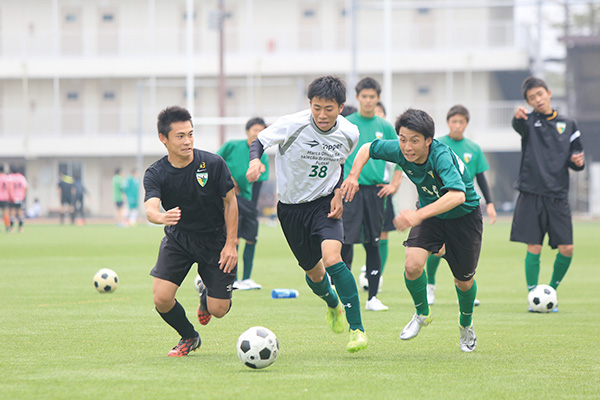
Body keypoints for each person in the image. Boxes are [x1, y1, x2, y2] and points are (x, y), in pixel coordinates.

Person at [341, 108, 483, 353]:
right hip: (431, 215)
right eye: (403, 139)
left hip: (464, 218)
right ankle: (421, 313)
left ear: (429, 140)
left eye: (414, 141)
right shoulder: (400, 148)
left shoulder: (440, 157)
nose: (407, 147)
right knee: (412, 264)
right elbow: (366, 148)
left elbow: (458, 196)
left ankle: (466, 323)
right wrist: (353, 176)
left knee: (463, 282)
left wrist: (416, 215)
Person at [246, 75, 368, 353]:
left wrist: (338, 192)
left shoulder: (350, 132)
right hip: (290, 210)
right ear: (309, 104)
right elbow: (259, 141)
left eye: (329, 108)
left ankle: (357, 329)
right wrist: (255, 162)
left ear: (340, 106)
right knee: (314, 275)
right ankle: (333, 303)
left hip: (324, 204)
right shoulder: (293, 124)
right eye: (316, 107)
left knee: (334, 258)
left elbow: (340, 163)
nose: (322, 115)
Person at [144, 105, 238, 357]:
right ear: (163, 139)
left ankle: (207, 295)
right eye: (180, 136)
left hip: (216, 240)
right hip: (179, 240)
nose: (188, 141)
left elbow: (230, 202)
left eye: (190, 134)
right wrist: (162, 217)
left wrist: (231, 244)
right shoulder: (156, 173)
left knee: (218, 309)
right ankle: (189, 336)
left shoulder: (213, 164)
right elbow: (150, 208)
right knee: (161, 298)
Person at [510, 77, 585, 311]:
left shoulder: (568, 123)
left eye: (540, 94)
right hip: (532, 192)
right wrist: (517, 116)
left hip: (558, 195)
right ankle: (534, 294)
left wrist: (577, 162)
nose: (537, 100)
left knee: (567, 248)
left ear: (549, 93)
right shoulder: (528, 122)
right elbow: (517, 125)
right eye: (532, 98)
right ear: (528, 102)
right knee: (534, 246)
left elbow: (577, 158)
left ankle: (550, 292)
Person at [425, 105, 496, 306]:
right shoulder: (437, 145)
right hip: (440, 204)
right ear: (448, 123)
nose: (457, 125)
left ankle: (466, 291)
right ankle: (430, 287)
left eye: (461, 122)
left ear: (466, 124)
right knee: (436, 249)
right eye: (454, 121)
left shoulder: (473, 149)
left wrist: (490, 203)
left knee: (466, 251)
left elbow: (481, 178)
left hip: (464, 208)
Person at [343, 77, 402, 311]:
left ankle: (372, 298)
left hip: (376, 193)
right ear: (357, 98)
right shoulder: (346, 123)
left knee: (373, 244)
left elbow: (401, 157)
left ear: (378, 99)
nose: (368, 100)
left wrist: (394, 184)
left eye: (372, 97)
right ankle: (345, 296)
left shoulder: (385, 127)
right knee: (346, 244)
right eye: (364, 96)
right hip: (350, 190)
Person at [217, 117, 270, 290]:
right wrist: (229, 181)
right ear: (247, 131)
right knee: (234, 239)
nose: (257, 133)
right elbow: (216, 162)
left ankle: (246, 278)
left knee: (251, 239)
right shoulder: (232, 145)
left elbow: (259, 183)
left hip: (249, 203)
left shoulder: (263, 156)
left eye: (261, 130)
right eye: (255, 129)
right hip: (231, 199)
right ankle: (233, 279)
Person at [374, 101, 398, 284]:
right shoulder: (359, 131)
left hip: (381, 189)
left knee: (382, 234)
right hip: (357, 189)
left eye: (380, 111)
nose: (377, 114)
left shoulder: (387, 136)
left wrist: (394, 184)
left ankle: (377, 274)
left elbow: (402, 160)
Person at [8, 165, 28, 233]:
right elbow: (26, 187)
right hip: (20, 197)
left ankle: (12, 228)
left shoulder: (10, 177)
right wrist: (23, 194)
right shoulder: (22, 177)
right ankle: (20, 228)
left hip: (12, 197)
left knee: (12, 213)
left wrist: (10, 195)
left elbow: (9, 187)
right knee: (20, 213)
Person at [0, 165, 10, 232]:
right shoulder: (7, 178)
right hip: (5, 198)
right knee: (6, 213)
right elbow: (9, 188)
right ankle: (7, 227)